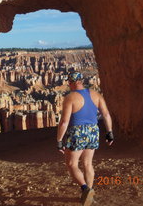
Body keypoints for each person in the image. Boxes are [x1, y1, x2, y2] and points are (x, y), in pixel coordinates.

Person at [56, 72, 114, 206]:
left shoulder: (70, 97)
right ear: (81, 81)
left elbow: (64, 122)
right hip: (93, 131)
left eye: (69, 83)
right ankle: (90, 195)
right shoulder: (96, 94)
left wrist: (59, 140)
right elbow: (106, 114)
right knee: (88, 164)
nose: (69, 85)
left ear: (72, 82)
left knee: (72, 164)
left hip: (77, 132)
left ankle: (85, 189)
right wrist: (109, 132)